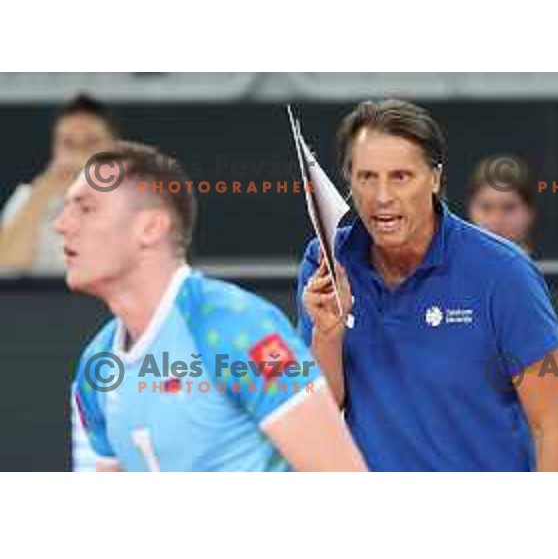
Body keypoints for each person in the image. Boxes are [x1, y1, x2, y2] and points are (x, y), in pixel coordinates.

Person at [297, 99, 558, 471]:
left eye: (400, 176)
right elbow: (317, 423)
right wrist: (327, 337)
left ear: (435, 178)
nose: (382, 197)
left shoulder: (506, 273)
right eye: (367, 177)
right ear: (348, 181)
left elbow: (553, 427)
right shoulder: (326, 264)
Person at [55, 141, 366, 472]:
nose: (62, 224)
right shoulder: (97, 366)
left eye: (86, 208)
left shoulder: (239, 329)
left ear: (149, 228)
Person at [0, 94, 117, 273]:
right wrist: (41, 194)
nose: (79, 153)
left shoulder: (138, 197)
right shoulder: (28, 197)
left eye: (91, 143)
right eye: (69, 143)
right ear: (56, 148)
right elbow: (6, 264)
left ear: (112, 147)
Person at [467, 154, 536, 255]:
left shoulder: (546, 269)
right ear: (471, 209)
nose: (496, 220)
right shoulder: (448, 268)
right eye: (486, 207)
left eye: (509, 208)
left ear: (530, 211)